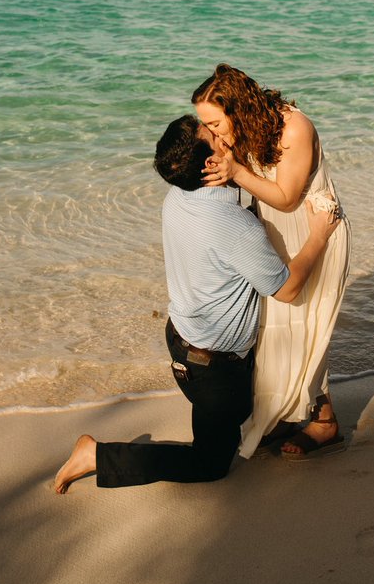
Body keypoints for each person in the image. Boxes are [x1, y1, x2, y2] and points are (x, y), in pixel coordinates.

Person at [54, 114, 339, 493]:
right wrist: (318, 235)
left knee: (235, 411)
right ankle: (98, 455)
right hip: (215, 370)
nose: (224, 133)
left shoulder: (178, 197)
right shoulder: (234, 226)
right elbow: (286, 290)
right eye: (215, 135)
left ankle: (289, 417)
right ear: (210, 163)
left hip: (183, 342)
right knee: (210, 462)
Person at [192, 64, 351, 459]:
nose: (212, 132)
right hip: (277, 231)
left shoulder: (295, 128)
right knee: (277, 333)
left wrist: (236, 170)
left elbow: (287, 197)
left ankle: (325, 423)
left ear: (238, 109)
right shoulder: (241, 129)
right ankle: (284, 414)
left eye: (214, 123)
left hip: (316, 229)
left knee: (308, 331)